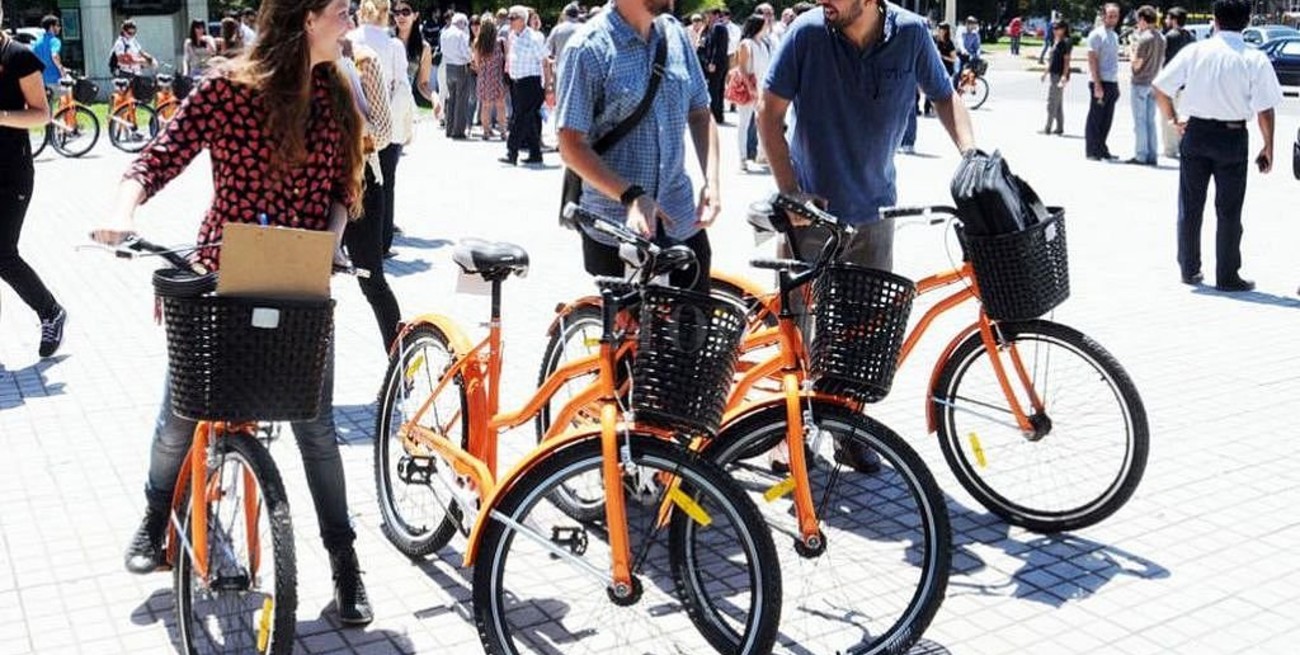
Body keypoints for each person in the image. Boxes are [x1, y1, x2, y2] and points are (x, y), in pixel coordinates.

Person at [97, 0, 374, 626]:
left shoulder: (335, 91)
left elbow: (344, 192)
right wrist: (122, 211)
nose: (352, 22)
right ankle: (154, 516)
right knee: (181, 413)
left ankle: (345, 563)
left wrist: (329, 244)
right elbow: (156, 158)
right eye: (342, 10)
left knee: (317, 429)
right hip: (223, 274)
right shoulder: (227, 88)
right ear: (307, 18)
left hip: (299, 282)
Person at [758, 0, 975, 471]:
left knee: (864, 337)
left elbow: (944, 95)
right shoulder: (807, 34)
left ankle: (847, 431)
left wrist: (970, 152)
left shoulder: (913, 34)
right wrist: (791, 193)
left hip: (876, 211)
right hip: (811, 216)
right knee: (799, 333)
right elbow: (768, 114)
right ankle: (788, 435)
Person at [557, 0, 721, 294]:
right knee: (628, 337)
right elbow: (571, 146)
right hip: (618, 228)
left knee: (694, 333)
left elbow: (700, 113)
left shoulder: (676, 35)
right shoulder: (588, 48)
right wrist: (630, 195)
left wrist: (712, 182)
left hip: (680, 218)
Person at [1154, 0, 1280, 292]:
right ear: (1247, 22)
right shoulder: (1254, 58)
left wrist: (1173, 119)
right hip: (1232, 136)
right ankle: (1227, 275)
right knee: (1229, 210)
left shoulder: (1196, 51)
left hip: (1196, 132)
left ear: (1215, 20)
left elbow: (1160, 87)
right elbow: (1265, 109)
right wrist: (1268, 145)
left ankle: (1189, 268)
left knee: (1190, 205)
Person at [0, 8, 67, 359]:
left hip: (11, 174)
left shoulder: (17, 56)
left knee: (3, 254)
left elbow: (42, 113)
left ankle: (51, 312)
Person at [340, 36, 402, 349]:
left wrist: (350, 128)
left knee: (371, 280)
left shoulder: (365, 60)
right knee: (307, 286)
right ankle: (309, 383)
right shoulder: (300, 60)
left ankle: (400, 370)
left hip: (361, 182)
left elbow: (383, 132)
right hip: (313, 186)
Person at [350, 0, 412, 258]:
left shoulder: (349, 39)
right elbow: (402, 85)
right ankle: (381, 243)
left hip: (355, 122)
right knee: (385, 182)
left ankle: (351, 240)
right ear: (387, 13)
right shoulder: (394, 45)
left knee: (355, 182)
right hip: (385, 123)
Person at [501, 5, 549, 165]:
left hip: (531, 82)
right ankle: (535, 153)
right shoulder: (513, 36)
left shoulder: (534, 38)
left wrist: (547, 86)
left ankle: (511, 152)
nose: (510, 21)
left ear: (522, 20)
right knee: (527, 119)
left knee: (520, 118)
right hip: (517, 83)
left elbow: (545, 62)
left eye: (513, 18)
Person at [1128, 6, 1165, 166]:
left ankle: (1141, 154)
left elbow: (1136, 65)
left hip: (1140, 82)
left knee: (1140, 121)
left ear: (1143, 19)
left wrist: (1131, 50)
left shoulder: (1144, 39)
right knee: (1151, 121)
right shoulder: (1161, 38)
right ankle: (1152, 154)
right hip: (1154, 82)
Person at [734, 14, 771, 171]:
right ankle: (742, 157)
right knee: (743, 123)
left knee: (762, 122)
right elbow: (742, 68)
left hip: (762, 87)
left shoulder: (763, 43)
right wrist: (750, 87)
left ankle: (761, 155)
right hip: (750, 88)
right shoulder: (746, 44)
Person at [1085, 3, 1121, 161]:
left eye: (1116, 16)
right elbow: (1092, 60)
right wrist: (1097, 84)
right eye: (1110, 15)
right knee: (1096, 118)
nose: (1113, 19)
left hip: (1112, 82)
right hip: (1099, 81)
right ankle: (1092, 150)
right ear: (1104, 16)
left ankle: (1102, 148)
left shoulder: (1114, 35)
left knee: (1107, 119)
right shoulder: (1096, 35)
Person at [1161, 6, 1194, 158]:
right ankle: (1182, 146)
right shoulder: (1190, 37)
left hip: (1171, 83)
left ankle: (1169, 149)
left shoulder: (1169, 36)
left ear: (1174, 20)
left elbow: (1164, 60)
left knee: (1168, 116)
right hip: (1186, 83)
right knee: (1183, 116)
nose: (1166, 21)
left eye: (1168, 18)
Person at [393, 0, 435, 110]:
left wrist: (434, 97)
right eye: (397, 13)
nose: (400, 16)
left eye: (405, 12)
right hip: (383, 106)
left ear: (415, 16)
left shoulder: (424, 48)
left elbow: (422, 84)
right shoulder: (386, 40)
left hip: (404, 107)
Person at [474, 14, 508, 140]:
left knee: (486, 106)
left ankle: (486, 132)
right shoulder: (500, 42)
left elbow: (476, 63)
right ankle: (503, 132)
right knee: (501, 106)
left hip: (484, 77)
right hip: (498, 77)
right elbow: (506, 60)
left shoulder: (478, 43)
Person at [440, 13, 472, 139]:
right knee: (461, 100)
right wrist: (471, 58)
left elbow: (442, 50)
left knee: (451, 98)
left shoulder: (444, 33)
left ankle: (449, 128)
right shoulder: (461, 34)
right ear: (461, 22)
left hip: (449, 66)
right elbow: (465, 52)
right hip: (460, 66)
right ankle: (458, 131)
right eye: (465, 24)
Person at [1041, 20, 1072, 135]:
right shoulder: (1056, 41)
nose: (1054, 30)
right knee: (1058, 103)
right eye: (1053, 28)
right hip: (1053, 74)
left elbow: (1067, 61)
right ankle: (1059, 127)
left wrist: (1064, 76)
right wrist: (1045, 72)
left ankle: (1047, 127)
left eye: (1057, 28)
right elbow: (1051, 59)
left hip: (1059, 75)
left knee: (1052, 102)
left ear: (1063, 29)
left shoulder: (1066, 42)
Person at [701, 8, 730, 124]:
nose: (708, 17)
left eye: (709, 14)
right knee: (718, 89)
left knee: (714, 89)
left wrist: (712, 62)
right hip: (722, 63)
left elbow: (717, 47)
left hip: (717, 63)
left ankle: (714, 114)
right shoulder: (720, 27)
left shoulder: (718, 27)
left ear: (716, 15)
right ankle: (719, 114)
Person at [547, 2, 583, 82]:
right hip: (580, 71)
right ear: (577, 15)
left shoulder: (557, 29)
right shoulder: (584, 28)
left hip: (561, 71)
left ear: (565, 14)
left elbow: (548, 50)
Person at [32, 15, 65, 95]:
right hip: (54, 80)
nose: (59, 28)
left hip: (41, 81)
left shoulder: (37, 42)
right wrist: (62, 71)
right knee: (69, 94)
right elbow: (54, 56)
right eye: (57, 25)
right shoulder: (55, 41)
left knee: (48, 105)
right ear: (51, 27)